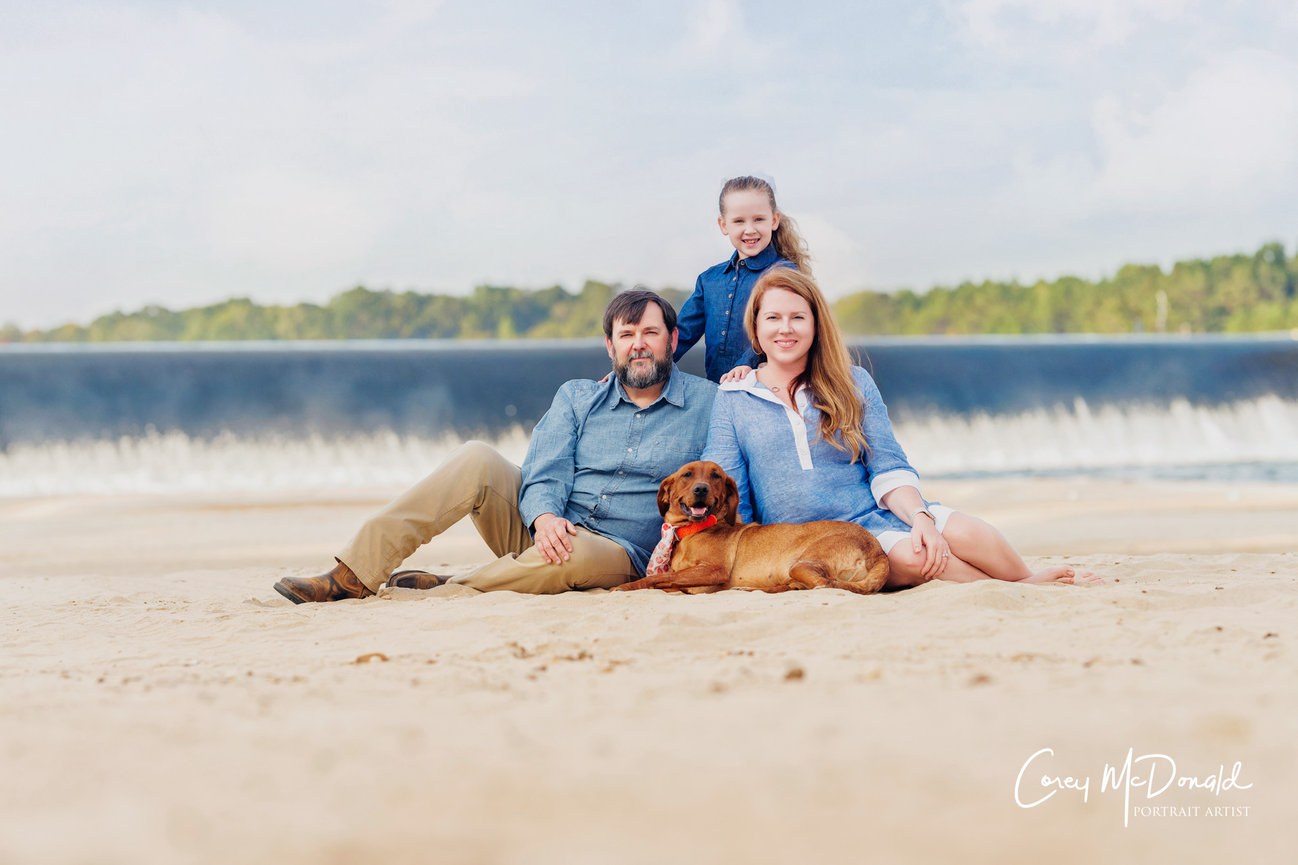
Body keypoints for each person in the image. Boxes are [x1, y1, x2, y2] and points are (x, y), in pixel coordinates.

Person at [273, 289, 716, 603]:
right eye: (627, 334)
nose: (638, 344)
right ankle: (354, 573)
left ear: (673, 341)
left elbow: (725, 479)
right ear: (609, 346)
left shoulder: (708, 404)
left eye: (651, 333)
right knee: (476, 457)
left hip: (618, 551)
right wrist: (543, 517)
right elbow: (546, 466)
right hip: (543, 531)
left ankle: (458, 584)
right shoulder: (578, 396)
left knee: (575, 552)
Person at [701, 268, 1101, 588]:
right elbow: (729, 492)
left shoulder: (852, 382)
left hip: (875, 511)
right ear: (755, 326)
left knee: (968, 532)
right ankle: (1025, 590)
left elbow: (888, 465)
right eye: (773, 317)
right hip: (814, 539)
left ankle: (1024, 579)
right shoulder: (735, 396)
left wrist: (922, 518)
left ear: (816, 324)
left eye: (797, 317)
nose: (785, 328)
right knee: (916, 557)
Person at [674, 175, 811, 383]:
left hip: (766, 390)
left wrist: (747, 363)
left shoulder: (784, 273)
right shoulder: (709, 280)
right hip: (717, 391)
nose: (749, 229)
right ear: (723, 225)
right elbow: (681, 334)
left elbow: (782, 330)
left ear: (774, 220)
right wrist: (638, 365)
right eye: (739, 221)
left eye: (758, 219)